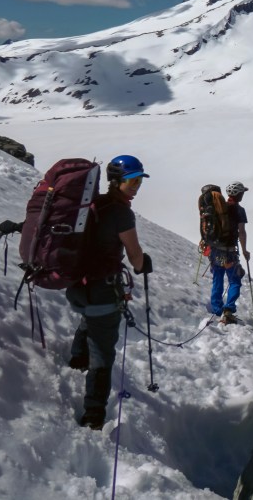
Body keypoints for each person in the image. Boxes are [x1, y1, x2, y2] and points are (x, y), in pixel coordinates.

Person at [66, 154, 152, 430]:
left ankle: (78, 356)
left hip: (77, 287)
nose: (137, 187)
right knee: (103, 354)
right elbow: (135, 254)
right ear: (117, 182)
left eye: (139, 181)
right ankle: (94, 413)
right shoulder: (121, 213)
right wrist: (142, 265)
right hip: (101, 293)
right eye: (132, 181)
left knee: (89, 319)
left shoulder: (93, 204)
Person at [207, 180, 250, 324]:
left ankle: (216, 308)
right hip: (230, 252)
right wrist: (244, 251)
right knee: (234, 281)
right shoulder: (239, 210)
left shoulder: (219, 206)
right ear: (239, 194)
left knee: (217, 279)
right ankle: (228, 311)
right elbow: (242, 232)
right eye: (242, 192)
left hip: (215, 250)